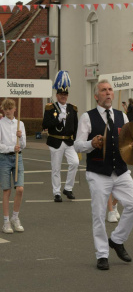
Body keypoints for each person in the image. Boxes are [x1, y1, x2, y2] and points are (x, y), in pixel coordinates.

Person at [74, 79, 133, 271]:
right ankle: (102, 254)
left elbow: (130, 140)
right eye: (103, 90)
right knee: (98, 214)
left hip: (120, 170)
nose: (108, 93)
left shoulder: (122, 117)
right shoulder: (88, 117)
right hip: (98, 172)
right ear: (96, 96)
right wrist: (91, 144)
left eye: (110, 90)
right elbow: (77, 145)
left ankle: (117, 240)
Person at [42, 70, 79, 202]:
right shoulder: (50, 108)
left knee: (75, 162)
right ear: (57, 95)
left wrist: (77, 142)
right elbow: (44, 124)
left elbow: (76, 127)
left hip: (69, 142)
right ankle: (56, 192)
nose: (63, 96)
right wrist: (57, 120)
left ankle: (68, 188)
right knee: (56, 168)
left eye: (65, 94)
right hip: (55, 141)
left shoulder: (72, 109)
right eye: (61, 94)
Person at [0, 98, 26, 233]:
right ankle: (6, 222)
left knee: (20, 189)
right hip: (4, 158)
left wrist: (20, 137)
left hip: (18, 158)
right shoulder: (0, 124)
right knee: (7, 190)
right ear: (3, 110)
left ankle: (15, 218)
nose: (8, 111)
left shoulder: (20, 124)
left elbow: (24, 145)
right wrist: (11, 147)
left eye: (11, 108)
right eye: (6, 109)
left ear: (15, 109)